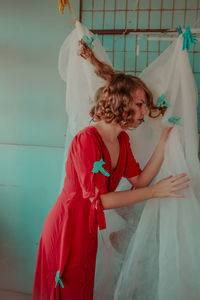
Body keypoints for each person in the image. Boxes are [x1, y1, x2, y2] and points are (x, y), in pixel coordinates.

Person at [32, 37, 190, 300]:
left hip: (87, 228)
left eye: (145, 105)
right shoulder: (86, 140)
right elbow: (101, 200)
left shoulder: (121, 140)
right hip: (67, 227)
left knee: (81, 291)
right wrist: (155, 192)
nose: (144, 111)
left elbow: (139, 180)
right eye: (139, 104)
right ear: (120, 102)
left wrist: (163, 143)